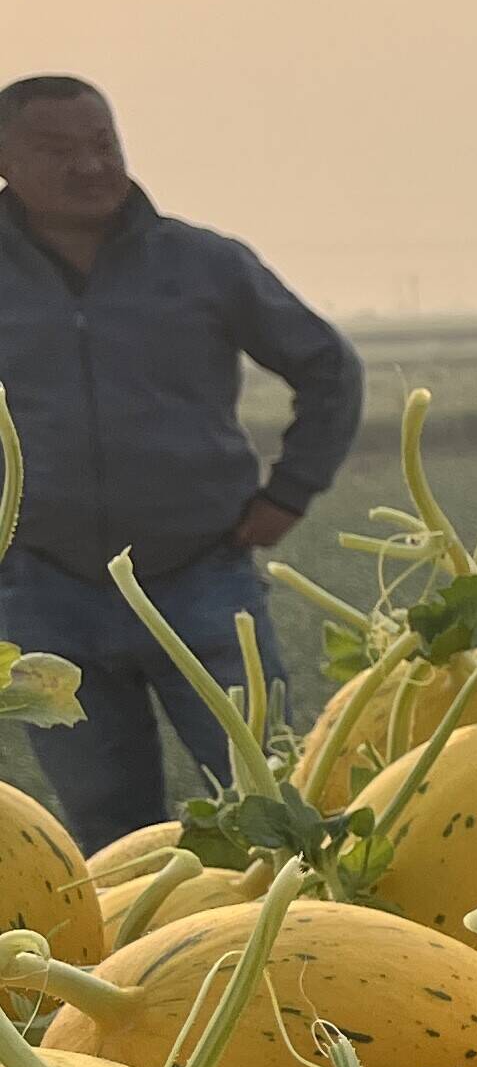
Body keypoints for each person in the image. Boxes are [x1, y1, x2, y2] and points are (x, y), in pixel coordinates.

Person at [0, 77, 363, 848]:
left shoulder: (204, 264)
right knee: (107, 832)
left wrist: (290, 494)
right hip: (45, 595)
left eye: (103, 144)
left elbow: (329, 368)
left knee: (267, 808)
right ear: (5, 160)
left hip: (201, 579)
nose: (91, 166)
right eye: (58, 150)